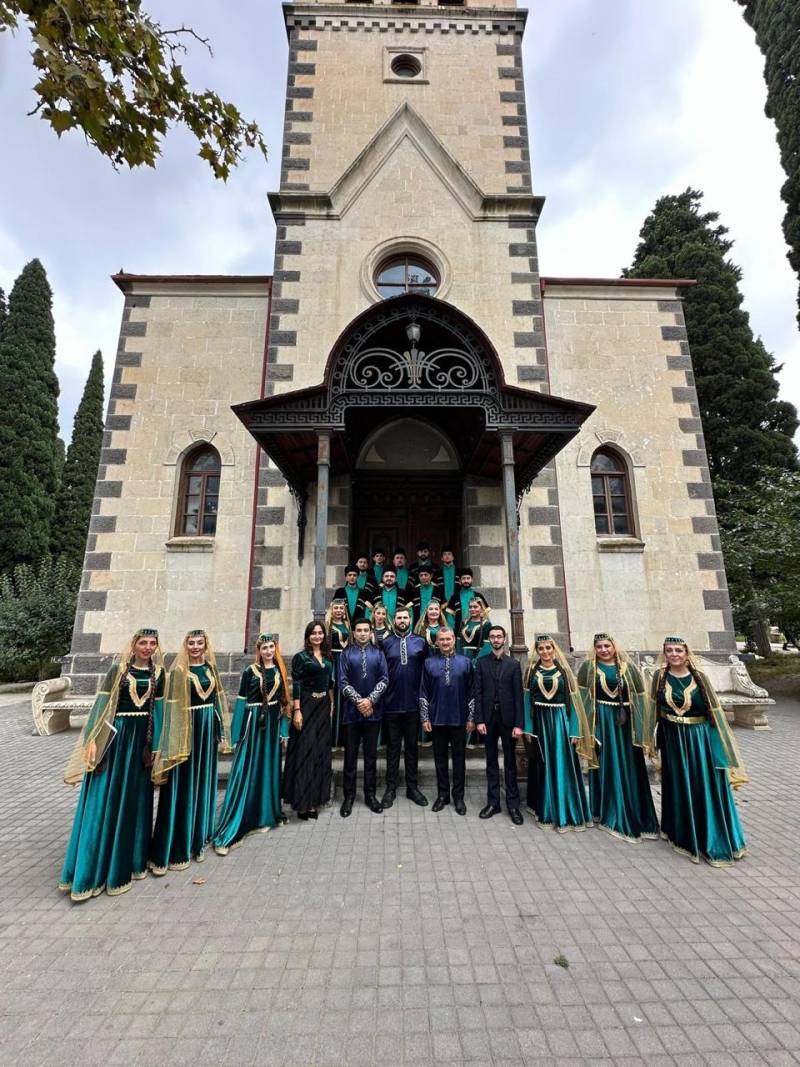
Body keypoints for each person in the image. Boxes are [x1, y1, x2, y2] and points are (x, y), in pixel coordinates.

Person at [59, 628, 165, 901]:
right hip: (117, 739)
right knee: (107, 795)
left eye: (152, 643)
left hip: (142, 741)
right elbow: (102, 705)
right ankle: (94, 865)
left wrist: (155, 747)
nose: (148, 647)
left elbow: (159, 710)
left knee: (135, 799)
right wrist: (93, 740)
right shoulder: (118, 671)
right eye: (143, 643)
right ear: (134, 644)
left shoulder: (158, 674)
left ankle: (129, 860)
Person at [652, 636, 747, 866]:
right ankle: (681, 833)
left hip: (698, 740)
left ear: (687, 653)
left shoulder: (699, 678)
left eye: (678, 650)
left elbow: (715, 716)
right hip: (673, 741)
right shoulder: (659, 677)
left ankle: (710, 838)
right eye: (669, 650)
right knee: (677, 785)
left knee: (702, 784)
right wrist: (652, 741)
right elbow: (654, 708)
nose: (674, 654)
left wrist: (719, 749)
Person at [150, 629, 233, 874]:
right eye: (191, 643)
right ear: (185, 646)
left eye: (200, 643)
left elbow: (217, 699)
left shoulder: (210, 668)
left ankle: (199, 837)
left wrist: (219, 727)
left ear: (206, 646)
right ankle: (177, 843)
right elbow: (171, 708)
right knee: (183, 782)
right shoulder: (178, 672)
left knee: (203, 781)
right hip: (188, 730)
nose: (196, 647)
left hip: (207, 732)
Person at [577, 633, 659, 843]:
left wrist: (640, 733)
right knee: (605, 765)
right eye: (599, 647)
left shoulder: (628, 668)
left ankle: (633, 812)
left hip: (625, 726)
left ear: (614, 646)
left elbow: (640, 700)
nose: (603, 650)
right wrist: (588, 730)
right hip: (602, 723)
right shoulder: (588, 668)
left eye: (607, 646)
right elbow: (584, 700)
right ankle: (607, 812)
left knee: (629, 766)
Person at [213, 633, 291, 854]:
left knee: (268, 768)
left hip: (272, 726)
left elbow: (284, 702)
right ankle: (239, 820)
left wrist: (284, 731)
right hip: (254, 724)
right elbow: (240, 702)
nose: (268, 651)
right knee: (248, 769)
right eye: (264, 648)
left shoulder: (279, 671)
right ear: (258, 651)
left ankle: (266, 813)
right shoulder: (250, 672)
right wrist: (236, 735)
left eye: (271, 647)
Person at [523, 633, 596, 832]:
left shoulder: (564, 672)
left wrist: (574, 730)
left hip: (560, 722)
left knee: (562, 764)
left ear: (554, 650)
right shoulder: (531, 672)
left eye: (548, 648)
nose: (545, 652)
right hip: (540, 723)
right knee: (543, 765)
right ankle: (547, 808)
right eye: (541, 649)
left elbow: (574, 702)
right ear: (537, 651)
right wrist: (528, 728)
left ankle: (567, 810)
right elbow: (527, 700)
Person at [419, 628, 474, 815]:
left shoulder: (466, 663)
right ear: (437, 642)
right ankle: (443, 795)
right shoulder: (428, 663)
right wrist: (425, 717)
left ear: (454, 640)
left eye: (448, 639)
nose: (445, 642)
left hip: (459, 719)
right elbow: (423, 692)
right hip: (437, 719)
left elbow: (471, 692)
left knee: (459, 760)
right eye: (441, 639)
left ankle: (458, 797)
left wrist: (471, 717)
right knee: (439, 760)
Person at [283, 622, 335, 820]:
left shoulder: (328, 656)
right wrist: (296, 710)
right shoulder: (301, 657)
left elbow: (329, 681)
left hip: (323, 706)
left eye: (320, 633)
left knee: (320, 752)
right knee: (304, 752)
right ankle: (302, 804)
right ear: (308, 636)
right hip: (306, 705)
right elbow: (296, 683)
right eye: (313, 633)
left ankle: (314, 801)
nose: (317, 636)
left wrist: (331, 702)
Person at [338, 619, 389, 816]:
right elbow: (342, 682)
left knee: (371, 757)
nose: (362, 633)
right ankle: (349, 797)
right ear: (353, 632)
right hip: (351, 714)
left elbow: (384, 679)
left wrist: (371, 701)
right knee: (350, 757)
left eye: (365, 630)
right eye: (358, 630)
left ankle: (370, 795)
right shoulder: (345, 654)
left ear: (370, 632)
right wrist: (360, 702)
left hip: (373, 713)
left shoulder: (379, 653)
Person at [474, 625, 524, 824]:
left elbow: (519, 697)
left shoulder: (513, 664)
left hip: (508, 719)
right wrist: (478, 720)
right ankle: (493, 803)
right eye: (493, 637)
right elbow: (477, 693)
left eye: (499, 636)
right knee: (491, 762)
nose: (496, 639)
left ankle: (513, 805)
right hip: (488, 719)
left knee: (510, 762)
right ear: (489, 640)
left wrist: (519, 724)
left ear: (505, 639)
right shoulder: (481, 663)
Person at [381, 608, 429, 809]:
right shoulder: (385, 643)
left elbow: (427, 672)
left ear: (410, 619)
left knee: (411, 749)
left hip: (413, 705)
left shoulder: (420, 642)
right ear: (395, 620)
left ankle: (412, 787)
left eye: (405, 617)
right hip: (391, 705)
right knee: (392, 749)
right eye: (399, 617)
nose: (402, 620)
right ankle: (390, 788)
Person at [326, 598, 351, 748]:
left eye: (341, 608)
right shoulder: (328, 626)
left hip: (346, 661)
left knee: (346, 697)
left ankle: (344, 738)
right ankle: (331, 738)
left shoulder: (348, 625)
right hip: (333, 661)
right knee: (333, 697)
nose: (339, 611)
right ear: (332, 610)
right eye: (336, 608)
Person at [447, 568, 488, 633]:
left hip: (477, 632)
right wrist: (451, 632)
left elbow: (486, 615)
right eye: (463, 578)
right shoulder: (454, 597)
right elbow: (450, 618)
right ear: (460, 580)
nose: (466, 581)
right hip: (458, 633)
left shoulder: (479, 596)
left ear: (472, 580)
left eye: (468, 578)